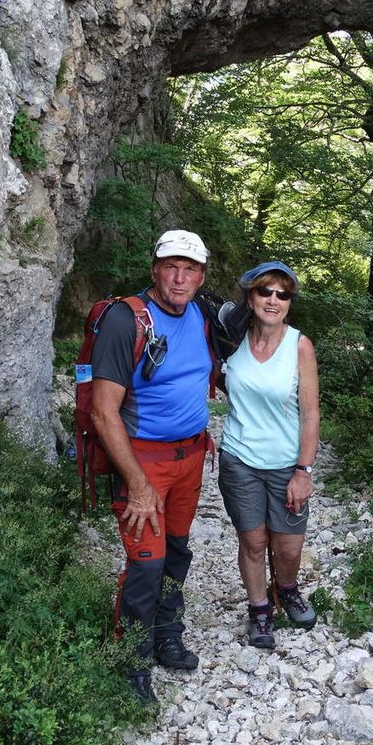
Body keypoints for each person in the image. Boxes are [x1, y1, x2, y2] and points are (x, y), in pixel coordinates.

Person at [90, 229, 214, 704]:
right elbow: (104, 412)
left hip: (190, 457)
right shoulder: (128, 320)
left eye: (190, 269)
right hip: (144, 462)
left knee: (177, 550)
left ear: (201, 277)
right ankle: (133, 662)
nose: (180, 278)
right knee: (146, 562)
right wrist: (138, 484)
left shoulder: (200, 314)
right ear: (154, 270)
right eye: (171, 267)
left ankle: (167, 635)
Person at [217, 261, 320, 648]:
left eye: (283, 294)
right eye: (266, 291)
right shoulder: (230, 340)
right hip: (239, 460)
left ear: (290, 302)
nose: (273, 300)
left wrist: (303, 471)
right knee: (253, 543)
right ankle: (260, 609)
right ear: (251, 295)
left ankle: (287, 589)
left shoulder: (299, 346)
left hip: (285, 465)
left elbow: (310, 414)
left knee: (288, 546)